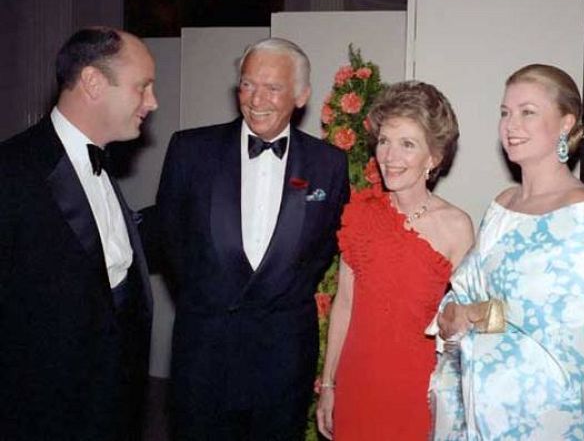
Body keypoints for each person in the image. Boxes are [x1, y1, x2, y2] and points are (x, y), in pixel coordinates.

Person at [157, 37, 349, 441]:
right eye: (247, 84)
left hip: (282, 357)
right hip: (204, 352)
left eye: (273, 88)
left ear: (301, 96)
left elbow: (323, 250)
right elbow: (171, 242)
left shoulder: (329, 164)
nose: (256, 99)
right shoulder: (190, 150)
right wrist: (210, 296)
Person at [430, 64, 584, 440]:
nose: (511, 125)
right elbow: (466, 284)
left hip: (538, 411)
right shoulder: (502, 203)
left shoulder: (580, 213)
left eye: (528, 112)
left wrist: (471, 315)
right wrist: (451, 312)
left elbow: (562, 328)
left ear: (565, 123)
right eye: (505, 113)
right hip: (477, 397)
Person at [0, 27, 158, 441]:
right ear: (92, 82)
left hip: (113, 407)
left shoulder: (103, 164)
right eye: (142, 88)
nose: (152, 102)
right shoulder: (13, 171)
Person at [316, 81, 474, 440]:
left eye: (407, 144)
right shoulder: (360, 214)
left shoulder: (456, 227)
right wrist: (328, 385)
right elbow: (344, 305)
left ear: (433, 157)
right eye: (384, 141)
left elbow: (463, 326)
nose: (389, 156)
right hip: (357, 384)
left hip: (417, 392)